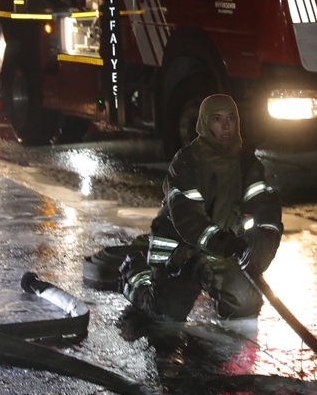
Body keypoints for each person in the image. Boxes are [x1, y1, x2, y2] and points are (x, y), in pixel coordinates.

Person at [121, 94, 283, 321]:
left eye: (231, 118)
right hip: (181, 252)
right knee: (166, 313)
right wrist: (222, 242)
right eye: (217, 119)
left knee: (245, 306)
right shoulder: (187, 161)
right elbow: (188, 217)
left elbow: (264, 204)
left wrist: (263, 241)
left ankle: (216, 286)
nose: (225, 126)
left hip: (223, 251)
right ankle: (133, 273)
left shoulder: (247, 163)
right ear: (204, 123)